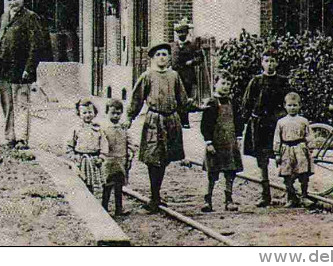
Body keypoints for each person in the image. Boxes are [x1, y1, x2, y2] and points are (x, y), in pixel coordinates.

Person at [122, 39, 190, 213]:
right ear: (152, 58)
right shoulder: (147, 76)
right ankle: (154, 196)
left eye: (164, 55)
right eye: (158, 55)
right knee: (153, 158)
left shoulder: (174, 76)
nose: (161, 58)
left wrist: (198, 107)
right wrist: (129, 117)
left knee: (165, 158)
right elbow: (137, 99)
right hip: (154, 121)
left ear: (169, 58)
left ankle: (157, 195)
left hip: (171, 121)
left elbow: (182, 100)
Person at [0, 0, 49, 150]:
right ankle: (10, 137)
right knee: (7, 105)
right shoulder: (4, 17)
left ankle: (22, 138)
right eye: (9, 0)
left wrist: (29, 68)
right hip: (3, 69)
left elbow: (36, 45)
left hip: (21, 70)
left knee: (21, 104)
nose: (12, 2)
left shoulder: (30, 17)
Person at [241, 47, 291, 207]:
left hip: (277, 125)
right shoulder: (256, 81)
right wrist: (244, 122)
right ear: (262, 63)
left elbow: (288, 102)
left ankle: (291, 194)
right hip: (260, 125)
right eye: (267, 61)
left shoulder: (283, 81)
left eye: (273, 61)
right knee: (262, 160)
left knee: (283, 157)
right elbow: (247, 103)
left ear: (277, 63)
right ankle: (265, 195)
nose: (270, 64)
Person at [200, 73, 244, 212]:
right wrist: (208, 142)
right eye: (222, 83)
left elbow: (238, 121)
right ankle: (208, 200)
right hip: (215, 143)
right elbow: (205, 125)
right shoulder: (211, 103)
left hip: (230, 143)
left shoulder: (233, 102)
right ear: (215, 84)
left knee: (230, 171)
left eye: (228, 84)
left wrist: (238, 137)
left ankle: (229, 200)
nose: (225, 87)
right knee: (212, 172)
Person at [273, 92, 316, 208]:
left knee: (303, 173)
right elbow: (277, 138)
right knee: (287, 175)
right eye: (290, 105)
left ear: (300, 106)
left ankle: (304, 196)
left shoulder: (303, 121)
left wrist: (311, 148)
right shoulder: (281, 122)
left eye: (295, 105)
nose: (292, 108)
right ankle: (291, 197)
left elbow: (309, 135)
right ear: (285, 106)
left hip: (300, 149)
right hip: (286, 150)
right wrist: (277, 153)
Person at [66, 99, 105, 203]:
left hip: (94, 160)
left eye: (90, 112)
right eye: (84, 112)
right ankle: (81, 202)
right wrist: (73, 157)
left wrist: (101, 157)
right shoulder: (76, 129)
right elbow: (69, 145)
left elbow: (104, 145)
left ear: (94, 113)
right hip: (81, 160)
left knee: (94, 184)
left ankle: (93, 203)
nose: (87, 115)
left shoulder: (98, 129)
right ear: (79, 114)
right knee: (80, 182)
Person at [101, 98, 130, 216]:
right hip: (108, 160)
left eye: (118, 113)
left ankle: (119, 209)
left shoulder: (123, 128)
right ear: (107, 112)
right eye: (113, 113)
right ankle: (104, 208)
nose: (116, 116)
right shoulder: (104, 128)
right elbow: (101, 143)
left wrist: (131, 151)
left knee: (119, 186)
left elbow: (129, 140)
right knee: (107, 185)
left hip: (120, 159)